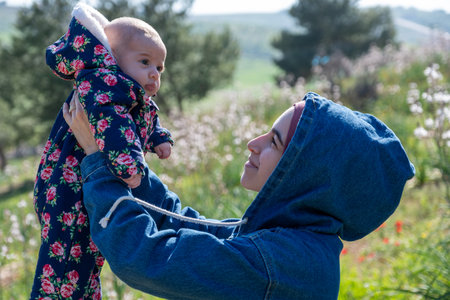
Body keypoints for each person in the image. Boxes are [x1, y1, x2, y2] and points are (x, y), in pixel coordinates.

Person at [63, 91, 415, 299]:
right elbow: (192, 226)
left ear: (308, 174)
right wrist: (129, 168)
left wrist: (97, 161)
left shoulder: (281, 263)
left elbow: (148, 258)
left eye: (274, 141)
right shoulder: (297, 239)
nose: (254, 143)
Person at [31, 3, 172, 299]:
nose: (154, 74)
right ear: (114, 60)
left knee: (88, 255)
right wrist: (129, 167)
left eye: (159, 67)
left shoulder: (127, 91)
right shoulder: (103, 86)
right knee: (67, 258)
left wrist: (158, 137)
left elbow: (146, 114)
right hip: (69, 187)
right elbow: (114, 127)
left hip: (85, 183)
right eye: (145, 62)